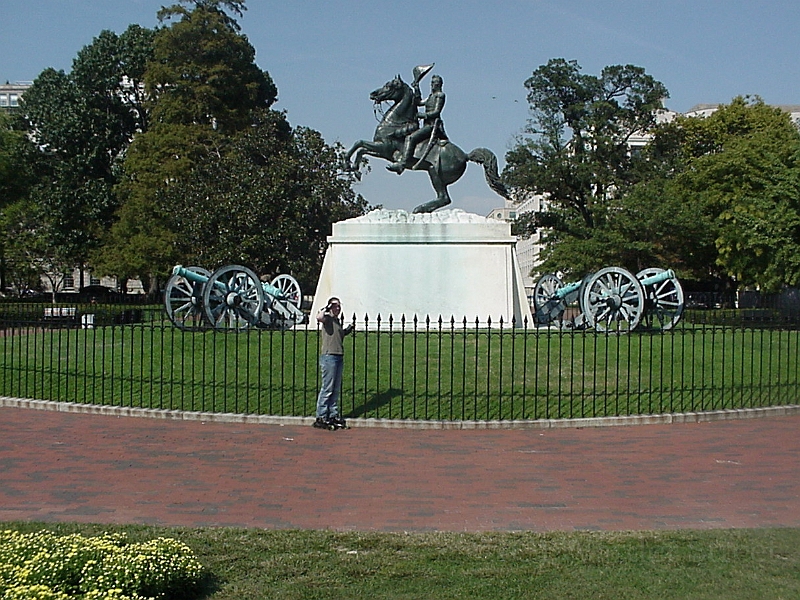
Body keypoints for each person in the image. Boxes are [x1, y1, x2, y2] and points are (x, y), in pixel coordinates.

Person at [387, 74, 448, 174]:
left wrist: (423, 115)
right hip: (426, 125)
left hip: (432, 125)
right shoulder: (431, 96)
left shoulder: (440, 96)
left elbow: (436, 112)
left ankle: (402, 165)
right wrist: (416, 87)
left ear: (440, 84)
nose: (432, 85)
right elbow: (419, 102)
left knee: (410, 138)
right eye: (431, 83)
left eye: (435, 83)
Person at [314, 297, 354, 429]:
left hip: (338, 355)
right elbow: (319, 317)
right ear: (330, 307)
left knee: (335, 389)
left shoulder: (337, 321)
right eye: (335, 306)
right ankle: (321, 416)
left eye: (339, 306)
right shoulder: (328, 318)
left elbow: (338, 336)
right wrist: (326, 308)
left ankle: (332, 414)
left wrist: (347, 330)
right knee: (327, 388)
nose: (338, 308)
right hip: (329, 356)